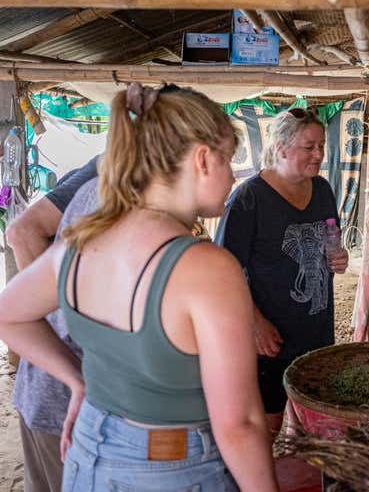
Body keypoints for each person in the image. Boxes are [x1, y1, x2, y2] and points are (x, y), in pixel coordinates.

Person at [0, 83, 279, 491]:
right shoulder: (207, 268)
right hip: (173, 469)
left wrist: (77, 380)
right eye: (228, 159)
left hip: (87, 459)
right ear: (202, 159)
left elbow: (8, 315)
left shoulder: (80, 245)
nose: (232, 175)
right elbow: (239, 425)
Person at [216, 106, 349, 434]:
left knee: (309, 421)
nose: (319, 154)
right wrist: (254, 322)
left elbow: (330, 237)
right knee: (267, 425)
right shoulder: (248, 199)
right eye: (309, 147)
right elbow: (223, 271)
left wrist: (338, 257)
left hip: (316, 329)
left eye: (322, 145)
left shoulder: (322, 190)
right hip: (270, 337)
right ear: (280, 148)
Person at [11, 170, 98, 492]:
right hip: (60, 389)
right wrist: (60, 326)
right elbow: (22, 232)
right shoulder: (105, 173)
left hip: (55, 384)